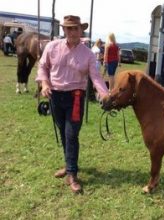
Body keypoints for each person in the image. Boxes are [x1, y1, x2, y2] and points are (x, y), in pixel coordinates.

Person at [36, 15, 109, 193]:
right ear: (64, 30)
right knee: (62, 130)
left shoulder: (89, 54)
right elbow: (42, 67)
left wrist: (104, 94)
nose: (72, 32)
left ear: (81, 30)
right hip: (55, 96)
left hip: (75, 96)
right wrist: (44, 83)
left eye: (75, 28)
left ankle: (72, 174)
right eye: (69, 28)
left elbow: (96, 77)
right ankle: (69, 164)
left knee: (71, 134)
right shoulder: (52, 47)